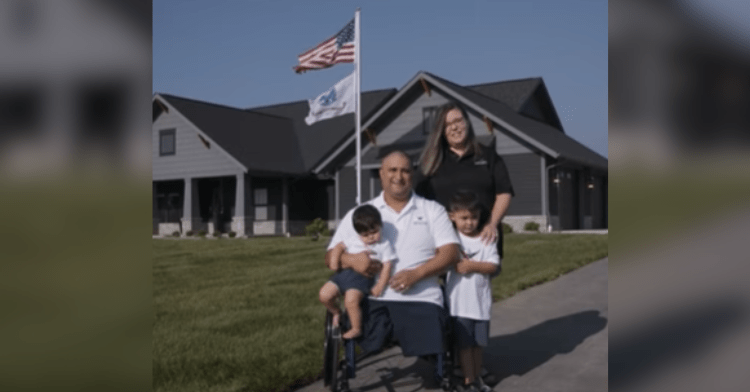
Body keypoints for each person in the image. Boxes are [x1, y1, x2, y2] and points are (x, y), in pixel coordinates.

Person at [325, 150, 460, 369]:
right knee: (356, 318)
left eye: (405, 170)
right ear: (381, 174)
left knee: (434, 326)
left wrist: (417, 274)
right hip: (373, 298)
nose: (398, 176)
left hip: (421, 298)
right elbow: (330, 256)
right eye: (392, 170)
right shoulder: (361, 213)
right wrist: (351, 261)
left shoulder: (432, 210)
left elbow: (451, 252)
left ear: (412, 175)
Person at [416, 102, 514, 260]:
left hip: (483, 240)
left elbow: (504, 193)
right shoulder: (430, 162)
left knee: (479, 284)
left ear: (467, 123)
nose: (454, 127)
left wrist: (492, 223)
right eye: (447, 125)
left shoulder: (488, 156)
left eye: (458, 121)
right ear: (441, 131)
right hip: (445, 243)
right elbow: (417, 200)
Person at [446, 191, 500, 392]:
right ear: (452, 217)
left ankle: (477, 379)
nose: (469, 223)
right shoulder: (450, 240)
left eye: (474, 217)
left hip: (481, 304)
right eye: (464, 218)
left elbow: (493, 267)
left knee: (478, 346)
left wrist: (471, 266)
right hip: (459, 305)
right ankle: (469, 382)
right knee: (465, 346)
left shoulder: (487, 239)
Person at [319, 205, 396, 339]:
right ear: (358, 233)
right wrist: (334, 262)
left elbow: (387, 266)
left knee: (351, 301)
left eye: (374, 232)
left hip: (362, 279)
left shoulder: (384, 245)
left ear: (380, 226)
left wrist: (380, 286)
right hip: (344, 274)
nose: (371, 237)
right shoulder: (353, 240)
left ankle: (356, 328)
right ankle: (336, 311)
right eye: (365, 235)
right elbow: (338, 247)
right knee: (324, 295)